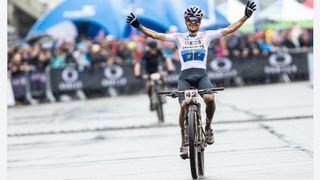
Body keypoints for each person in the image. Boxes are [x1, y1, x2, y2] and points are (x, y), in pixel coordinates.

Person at [127, 1, 256, 158]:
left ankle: (208, 127)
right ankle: (184, 142)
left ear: (200, 22)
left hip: (201, 75)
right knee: (183, 106)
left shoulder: (206, 35)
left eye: (196, 21)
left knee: (209, 98)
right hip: (185, 77)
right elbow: (156, 35)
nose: (193, 23)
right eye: (190, 20)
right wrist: (139, 26)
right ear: (186, 22)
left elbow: (229, 29)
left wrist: (245, 17)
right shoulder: (178, 37)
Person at [134, 40, 173, 111]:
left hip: (157, 70)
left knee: (162, 78)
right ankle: (151, 101)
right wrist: (138, 74)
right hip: (148, 71)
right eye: (151, 49)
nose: (152, 50)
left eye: (153, 49)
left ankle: (163, 93)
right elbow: (138, 64)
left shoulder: (159, 51)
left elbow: (167, 59)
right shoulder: (145, 53)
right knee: (148, 86)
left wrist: (170, 68)